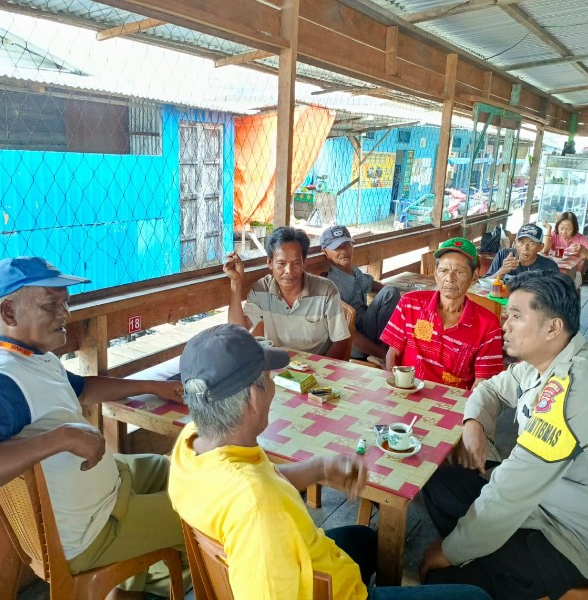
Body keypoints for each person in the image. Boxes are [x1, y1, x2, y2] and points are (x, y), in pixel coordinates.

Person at [168, 322, 491, 600]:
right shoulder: (259, 505)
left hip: (303, 560)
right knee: (474, 597)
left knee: (364, 539)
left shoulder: (193, 441)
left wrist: (319, 467)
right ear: (254, 397)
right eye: (269, 378)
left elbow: (257, 480)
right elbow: (258, 498)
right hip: (330, 590)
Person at [0, 257, 186, 598]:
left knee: (171, 469)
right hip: (94, 529)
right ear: (10, 313)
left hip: (111, 487)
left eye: (65, 303)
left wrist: (150, 386)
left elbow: (84, 388)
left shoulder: (31, 356)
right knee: (206, 512)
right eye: (51, 305)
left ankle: (132, 584)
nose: (65, 314)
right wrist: (63, 437)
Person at [419, 271, 588, 600]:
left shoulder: (570, 387)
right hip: (541, 506)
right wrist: (474, 425)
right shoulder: (550, 358)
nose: (504, 325)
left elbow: (511, 491)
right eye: (507, 315)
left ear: (553, 327)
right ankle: (477, 553)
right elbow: (492, 388)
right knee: (440, 483)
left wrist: (448, 551)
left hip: (567, 542)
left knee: (443, 586)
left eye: (516, 316)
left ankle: (471, 560)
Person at [381, 238, 503, 390]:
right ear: (435, 274)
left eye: (459, 272)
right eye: (444, 271)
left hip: (454, 402)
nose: (449, 279)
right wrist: (395, 387)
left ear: (474, 277)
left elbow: (482, 383)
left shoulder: (488, 324)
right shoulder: (410, 303)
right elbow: (392, 353)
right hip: (408, 391)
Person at [224, 226, 350, 358]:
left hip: (316, 368)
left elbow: (341, 340)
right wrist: (236, 282)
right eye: (281, 264)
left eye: (296, 263)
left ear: (304, 262)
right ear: (270, 262)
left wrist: (319, 371)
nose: (289, 270)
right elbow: (237, 330)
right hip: (278, 365)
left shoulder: (326, 291)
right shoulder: (261, 290)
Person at [320, 224, 401, 360]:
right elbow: (345, 330)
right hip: (353, 344)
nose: (344, 251)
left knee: (390, 292)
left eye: (347, 245)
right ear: (326, 253)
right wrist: (383, 355)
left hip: (366, 328)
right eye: (337, 248)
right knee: (390, 292)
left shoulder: (354, 271)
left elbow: (371, 284)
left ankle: (386, 347)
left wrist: (400, 299)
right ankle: (381, 351)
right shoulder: (332, 284)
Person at [485, 224, 561, 280]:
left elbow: (557, 294)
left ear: (540, 247)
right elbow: (483, 284)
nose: (525, 248)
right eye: (521, 242)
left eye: (532, 243)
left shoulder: (549, 267)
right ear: (514, 244)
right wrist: (502, 271)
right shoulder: (503, 255)